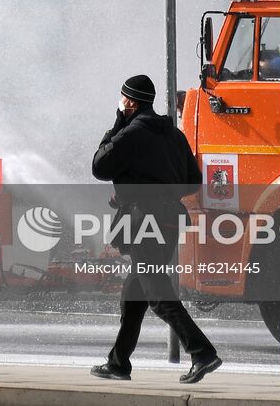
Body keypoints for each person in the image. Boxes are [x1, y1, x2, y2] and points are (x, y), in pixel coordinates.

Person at [89, 74, 222, 384]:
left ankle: (202, 352)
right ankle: (119, 362)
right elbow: (192, 181)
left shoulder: (132, 133)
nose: (121, 103)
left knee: (157, 293)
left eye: (123, 99)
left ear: (131, 102)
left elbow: (99, 166)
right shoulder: (174, 135)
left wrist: (117, 124)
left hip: (144, 222)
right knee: (134, 292)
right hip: (167, 220)